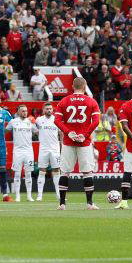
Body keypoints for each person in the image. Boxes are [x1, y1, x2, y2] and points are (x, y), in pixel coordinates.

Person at [54, 76, 101, 210]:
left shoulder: (64, 101)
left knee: (65, 173)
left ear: (73, 86)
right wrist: (85, 135)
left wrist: (68, 132)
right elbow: (96, 121)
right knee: (87, 173)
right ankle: (90, 204)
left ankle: (62, 204)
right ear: (85, 87)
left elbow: (57, 121)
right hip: (84, 142)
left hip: (69, 141)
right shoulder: (91, 101)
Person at [6, 105, 37, 202]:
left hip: (28, 151)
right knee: (17, 174)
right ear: (18, 112)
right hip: (17, 151)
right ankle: (17, 196)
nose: (25, 113)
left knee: (28, 174)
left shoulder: (30, 122)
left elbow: (37, 132)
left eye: (26, 111)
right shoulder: (13, 122)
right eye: (23, 111)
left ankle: (29, 196)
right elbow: (6, 131)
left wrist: (35, 123)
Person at [34, 102, 61, 202]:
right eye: (47, 109)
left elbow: (60, 133)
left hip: (55, 149)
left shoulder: (57, 119)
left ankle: (58, 194)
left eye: (50, 109)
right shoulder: (39, 120)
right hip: (44, 149)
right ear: (43, 110)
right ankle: (40, 195)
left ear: (52, 110)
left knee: (56, 171)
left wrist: (62, 145)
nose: (49, 110)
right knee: (42, 171)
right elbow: (35, 130)